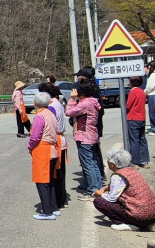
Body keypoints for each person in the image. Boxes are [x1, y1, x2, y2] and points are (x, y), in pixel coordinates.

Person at [93, 146, 155, 230]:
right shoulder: (131, 171)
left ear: (112, 164)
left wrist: (100, 194)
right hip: (153, 215)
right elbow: (121, 185)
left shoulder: (117, 176)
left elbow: (112, 198)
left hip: (141, 217)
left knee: (98, 201)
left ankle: (126, 224)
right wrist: (106, 188)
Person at [67, 79, 104, 199]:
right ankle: (97, 188)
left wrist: (72, 99)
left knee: (88, 164)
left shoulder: (85, 103)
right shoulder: (93, 101)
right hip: (91, 135)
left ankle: (93, 190)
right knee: (92, 163)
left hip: (84, 137)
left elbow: (69, 112)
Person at [27, 92, 61, 220]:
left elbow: (35, 136)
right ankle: (53, 207)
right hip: (52, 149)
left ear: (35, 103)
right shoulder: (51, 114)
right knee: (50, 180)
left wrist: (29, 146)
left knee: (42, 181)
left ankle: (47, 211)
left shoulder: (39, 116)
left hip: (43, 149)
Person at [40, 82, 70, 210]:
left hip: (55, 140)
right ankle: (61, 199)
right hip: (60, 138)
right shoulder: (58, 103)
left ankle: (57, 201)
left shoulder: (51, 107)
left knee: (55, 174)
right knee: (60, 172)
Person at [125, 77, 150, 167]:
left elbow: (128, 106)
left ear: (132, 82)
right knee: (142, 139)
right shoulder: (142, 91)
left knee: (134, 140)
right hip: (141, 117)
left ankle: (135, 162)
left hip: (133, 117)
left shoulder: (133, 91)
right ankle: (144, 160)